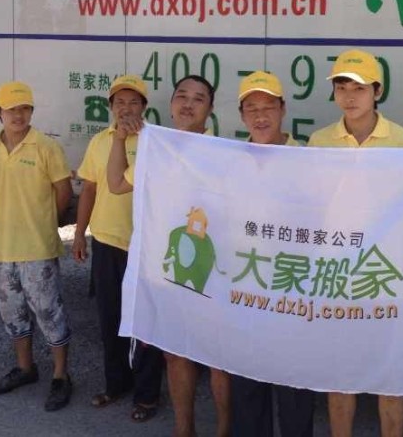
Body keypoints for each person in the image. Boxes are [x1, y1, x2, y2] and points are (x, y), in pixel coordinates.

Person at [106, 75, 231, 437]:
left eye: (198, 98)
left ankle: (225, 430)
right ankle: (183, 428)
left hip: (212, 271)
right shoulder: (157, 147)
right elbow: (116, 184)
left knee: (219, 359)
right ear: (172, 103)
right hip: (171, 268)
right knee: (175, 352)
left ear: (210, 109)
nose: (188, 104)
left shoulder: (224, 153)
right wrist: (120, 138)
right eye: (182, 96)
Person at [307, 50, 403, 437]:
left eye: (359, 88)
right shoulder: (319, 142)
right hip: (335, 274)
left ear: (377, 91)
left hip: (384, 274)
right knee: (341, 377)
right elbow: (310, 207)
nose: (349, 96)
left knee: (390, 379)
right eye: (341, 88)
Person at [0, 81, 74, 411]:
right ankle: (25, 368)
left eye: (24, 109)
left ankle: (61, 376)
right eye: (11, 109)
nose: (18, 115)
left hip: (37, 248)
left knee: (49, 312)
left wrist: (46, 224)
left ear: (31, 112)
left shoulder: (46, 147)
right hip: (2, 248)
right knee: (13, 313)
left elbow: (63, 192)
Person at [72, 74, 163, 422]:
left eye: (134, 102)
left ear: (144, 107)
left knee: (144, 325)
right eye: (120, 102)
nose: (126, 108)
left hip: (144, 246)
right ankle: (116, 384)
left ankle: (147, 396)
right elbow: (90, 190)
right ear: (110, 107)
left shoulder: (155, 141)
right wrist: (79, 234)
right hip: (106, 243)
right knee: (109, 319)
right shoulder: (99, 141)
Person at [231, 71, 315, 437]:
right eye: (251, 108)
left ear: (283, 109)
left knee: (294, 387)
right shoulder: (230, 160)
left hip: (291, 287)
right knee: (247, 384)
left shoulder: (310, 161)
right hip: (245, 285)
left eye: (268, 107)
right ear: (241, 115)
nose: (260, 116)